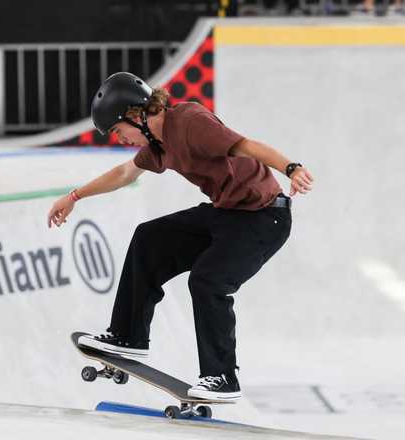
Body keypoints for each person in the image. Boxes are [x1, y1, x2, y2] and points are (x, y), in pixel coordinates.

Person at [46, 72, 314, 401]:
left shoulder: (190, 122)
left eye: (118, 131)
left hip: (264, 218)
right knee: (149, 239)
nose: (119, 139)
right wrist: (74, 197)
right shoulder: (157, 147)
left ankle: (222, 377)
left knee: (208, 281)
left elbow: (247, 146)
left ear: (135, 114)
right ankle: (127, 337)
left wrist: (292, 168)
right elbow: (125, 173)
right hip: (227, 215)